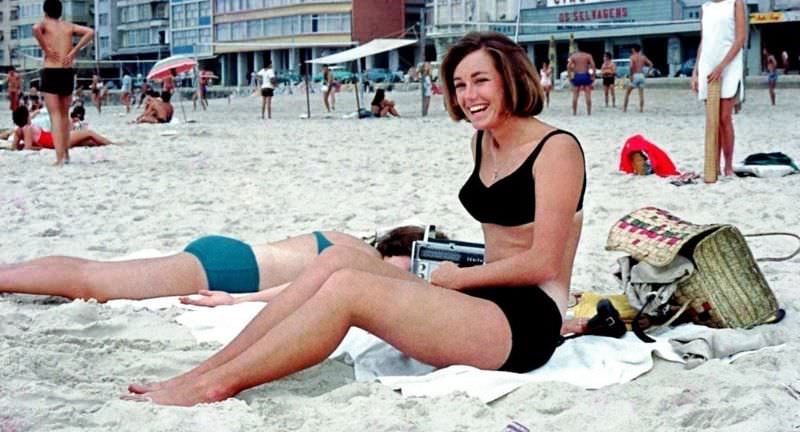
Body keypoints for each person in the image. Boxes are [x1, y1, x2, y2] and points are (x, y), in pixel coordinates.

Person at [124, 31, 585, 407]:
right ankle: (207, 369)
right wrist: (460, 279)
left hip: (526, 322)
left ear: (510, 79)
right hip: (483, 295)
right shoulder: (484, 141)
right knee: (338, 259)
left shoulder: (556, 149)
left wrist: (460, 280)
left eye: (481, 81)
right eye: (460, 84)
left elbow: (543, 262)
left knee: (349, 289)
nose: (469, 96)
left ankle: (218, 385)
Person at [0, 226, 435, 305]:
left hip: (232, 255)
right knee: (91, 281)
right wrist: (237, 300)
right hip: (231, 271)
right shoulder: (360, 258)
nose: (411, 273)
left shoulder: (348, 239)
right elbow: (310, 286)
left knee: (95, 270)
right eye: (412, 263)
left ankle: (11, 271)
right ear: (399, 250)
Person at [692, 0, 746, 177]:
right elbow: (704, 41)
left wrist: (722, 66)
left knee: (724, 117)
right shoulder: (705, 8)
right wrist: (696, 71)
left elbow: (741, 38)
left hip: (729, 64)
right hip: (708, 64)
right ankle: (712, 165)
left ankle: (728, 165)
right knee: (711, 118)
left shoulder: (736, 3)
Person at [32, 0, 94, 165]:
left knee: (55, 116)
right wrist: (74, 51)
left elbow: (35, 28)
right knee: (64, 115)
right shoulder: (67, 26)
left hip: (51, 70)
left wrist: (46, 48)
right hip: (67, 71)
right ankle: (66, 154)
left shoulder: (45, 24)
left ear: (46, 11)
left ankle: (59, 157)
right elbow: (90, 32)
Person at [11, 105, 111, 151]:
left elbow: (14, 147)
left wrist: (22, 146)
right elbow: (28, 148)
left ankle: (106, 144)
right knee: (89, 133)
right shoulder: (27, 128)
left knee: (88, 141)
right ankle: (113, 144)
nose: (30, 116)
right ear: (26, 116)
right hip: (57, 140)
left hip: (55, 141)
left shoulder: (18, 130)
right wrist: (40, 148)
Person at [623, 45, 653, 113]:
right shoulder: (643, 57)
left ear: (634, 49)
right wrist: (647, 73)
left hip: (635, 75)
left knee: (627, 93)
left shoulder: (632, 57)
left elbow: (631, 67)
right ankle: (641, 109)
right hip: (642, 75)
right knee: (641, 94)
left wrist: (630, 75)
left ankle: (625, 109)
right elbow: (651, 64)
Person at [567, 47, 595, 115]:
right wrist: (593, 75)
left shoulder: (574, 56)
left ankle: (574, 112)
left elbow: (568, 66)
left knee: (575, 95)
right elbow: (593, 65)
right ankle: (589, 112)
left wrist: (570, 75)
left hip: (577, 75)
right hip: (585, 75)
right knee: (588, 94)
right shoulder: (588, 55)